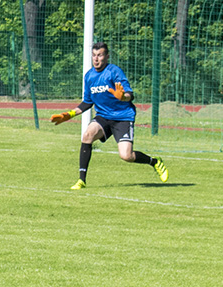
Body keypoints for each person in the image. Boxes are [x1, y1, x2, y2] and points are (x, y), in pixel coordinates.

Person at [50, 41, 169, 189]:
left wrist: (123, 97)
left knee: (126, 156)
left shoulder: (114, 72)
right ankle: (81, 180)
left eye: (100, 55)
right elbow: (87, 102)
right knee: (88, 134)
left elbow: (130, 94)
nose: (96, 59)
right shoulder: (89, 76)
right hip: (103, 117)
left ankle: (155, 162)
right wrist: (69, 114)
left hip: (122, 117)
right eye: (94, 55)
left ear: (107, 56)